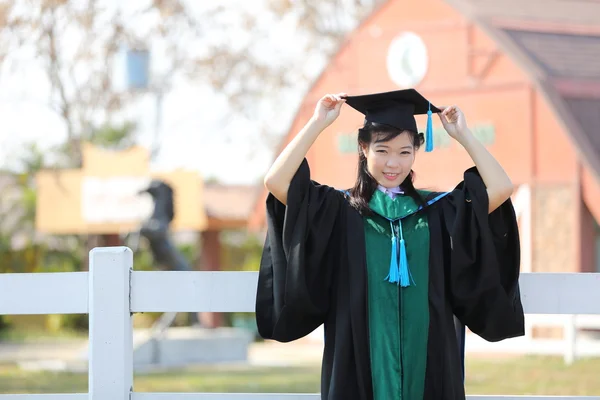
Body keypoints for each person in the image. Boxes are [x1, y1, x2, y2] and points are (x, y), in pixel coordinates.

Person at [255, 89, 525, 400]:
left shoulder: (439, 211)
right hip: (358, 359)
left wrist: (463, 135)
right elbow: (276, 181)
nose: (393, 163)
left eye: (404, 152)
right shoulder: (339, 210)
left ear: (417, 151)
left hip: (429, 359)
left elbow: (501, 188)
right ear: (363, 148)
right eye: (382, 151)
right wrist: (317, 123)